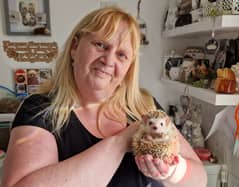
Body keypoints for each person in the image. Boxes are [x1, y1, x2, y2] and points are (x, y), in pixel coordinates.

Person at [1, 7, 207, 187]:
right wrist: (121, 141)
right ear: (75, 47)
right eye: (100, 45)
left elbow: (199, 180)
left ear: (129, 68)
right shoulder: (40, 110)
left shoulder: (144, 106)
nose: (108, 60)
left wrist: (172, 172)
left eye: (121, 55)